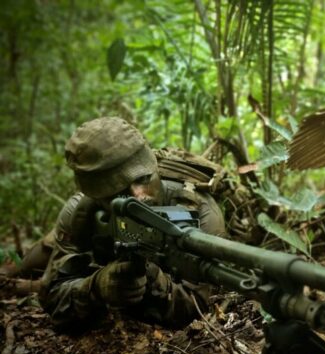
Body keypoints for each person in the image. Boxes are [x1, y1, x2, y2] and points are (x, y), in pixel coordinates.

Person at [40, 117, 227, 331]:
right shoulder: (80, 212)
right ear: (96, 196)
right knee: (28, 262)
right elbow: (50, 296)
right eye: (119, 192)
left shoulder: (200, 212)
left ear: (154, 166)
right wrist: (95, 287)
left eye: (143, 179)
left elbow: (198, 306)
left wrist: (154, 279)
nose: (138, 196)